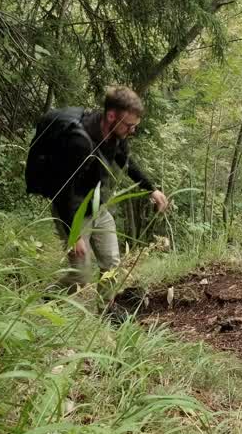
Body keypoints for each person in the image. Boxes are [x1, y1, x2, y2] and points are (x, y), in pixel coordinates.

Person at [25, 86, 169, 286]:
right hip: (73, 212)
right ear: (111, 116)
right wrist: (74, 234)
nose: (132, 130)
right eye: (129, 125)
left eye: (134, 125)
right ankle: (44, 302)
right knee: (80, 277)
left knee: (112, 266)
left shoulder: (116, 136)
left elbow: (126, 162)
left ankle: (107, 313)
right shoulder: (79, 141)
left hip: (97, 206)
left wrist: (151, 189)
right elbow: (62, 190)